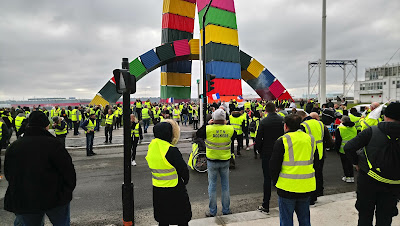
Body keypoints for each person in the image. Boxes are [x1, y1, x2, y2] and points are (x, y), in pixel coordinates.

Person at [4, 111, 76, 225]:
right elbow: (69, 172)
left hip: (26, 199)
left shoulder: (14, 147)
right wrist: (66, 192)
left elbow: (8, 173)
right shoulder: (54, 144)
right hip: (56, 198)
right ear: (46, 126)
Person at [344, 102, 400, 226]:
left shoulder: (372, 131)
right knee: (385, 218)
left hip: (368, 180)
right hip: (394, 185)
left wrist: (357, 163)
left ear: (385, 116)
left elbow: (349, 147)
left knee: (365, 216)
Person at [269, 114, 316, 226]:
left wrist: (276, 182)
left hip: (287, 187)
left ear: (285, 126)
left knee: (286, 221)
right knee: (305, 220)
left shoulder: (283, 140)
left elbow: (274, 165)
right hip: (306, 185)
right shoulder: (310, 138)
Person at [145, 120, 192, 226]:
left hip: (158, 188)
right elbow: (183, 170)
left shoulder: (152, 146)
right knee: (181, 218)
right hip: (174, 188)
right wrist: (185, 180)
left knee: (163, 218)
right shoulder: (170, 150)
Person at [196, 109, 235, 217]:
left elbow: (198, 134)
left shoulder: (208, 129)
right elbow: (234, 136)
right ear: (224, 119)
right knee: (225, 186)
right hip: (225, 160)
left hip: (212, 160)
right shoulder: (230, 129)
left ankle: (212, 211)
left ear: (213, 118)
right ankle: (226, 210)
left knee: (212, 186)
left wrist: (207, 123)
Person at [255, 102, 284, 213]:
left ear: (266, 110)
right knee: (281, 177)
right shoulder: (282, 120)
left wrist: (260, 151)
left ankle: (266, 205)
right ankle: (283, 204)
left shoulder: (264, 122)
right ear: (275, 109)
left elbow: (258, 139)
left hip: (267, 153)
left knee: (267, 178)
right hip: (281, 152)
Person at [299, 111, 333, 205]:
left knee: (310, 174)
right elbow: (328, 139)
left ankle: (311, 196)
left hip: (309, 152)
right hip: (321, 151)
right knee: (319, 173)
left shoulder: (303, 125)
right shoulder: (321, 124)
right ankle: (319, 191)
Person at [334, 116, 357, 183]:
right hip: (353, 148)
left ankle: (347, 177)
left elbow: (338, 141)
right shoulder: (354, 128)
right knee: (350, 163)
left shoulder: (340, 129)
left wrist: (337, 149)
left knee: (345, 164)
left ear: (342, 121)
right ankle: (352, 177)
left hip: (343, 149)